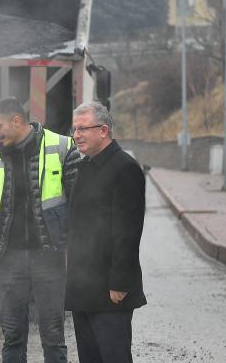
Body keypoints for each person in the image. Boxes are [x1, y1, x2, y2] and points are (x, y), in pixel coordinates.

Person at [0, 98, 73, 363]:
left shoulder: (62, 147)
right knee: (12, 336)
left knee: (53, 336)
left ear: (17, 121)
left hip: (49, 258)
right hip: (10, 261)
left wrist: (72, 251)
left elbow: (79, 206)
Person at [65, 101, 146, 363]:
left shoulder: (125, 168)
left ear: (103, 130)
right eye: (75, 129)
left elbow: (128, 231)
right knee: (90, 358)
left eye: (83, 129)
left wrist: (120, 283)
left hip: (110, 289)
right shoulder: (85, 166)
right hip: (83, 285)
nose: (76, 135)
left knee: (114, 357)